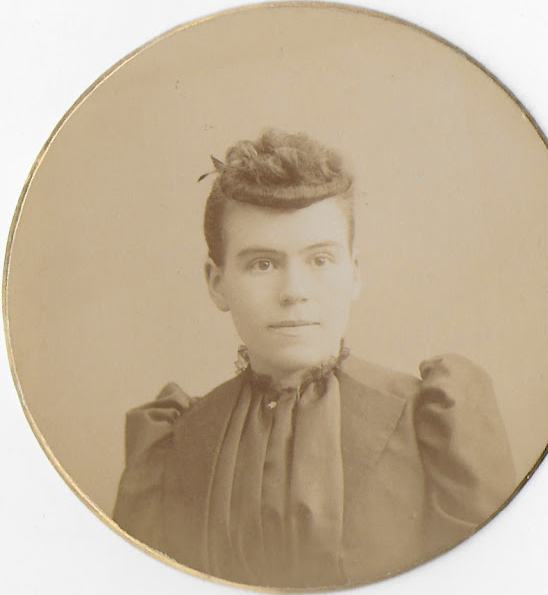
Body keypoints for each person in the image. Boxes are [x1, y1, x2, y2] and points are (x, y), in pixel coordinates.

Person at [113, 129, 516, 588]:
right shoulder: (176, 442)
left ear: (354, 273)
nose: (294, 292)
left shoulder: (435, 424)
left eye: (320, 260)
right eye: (263, 264)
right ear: (216, 283)